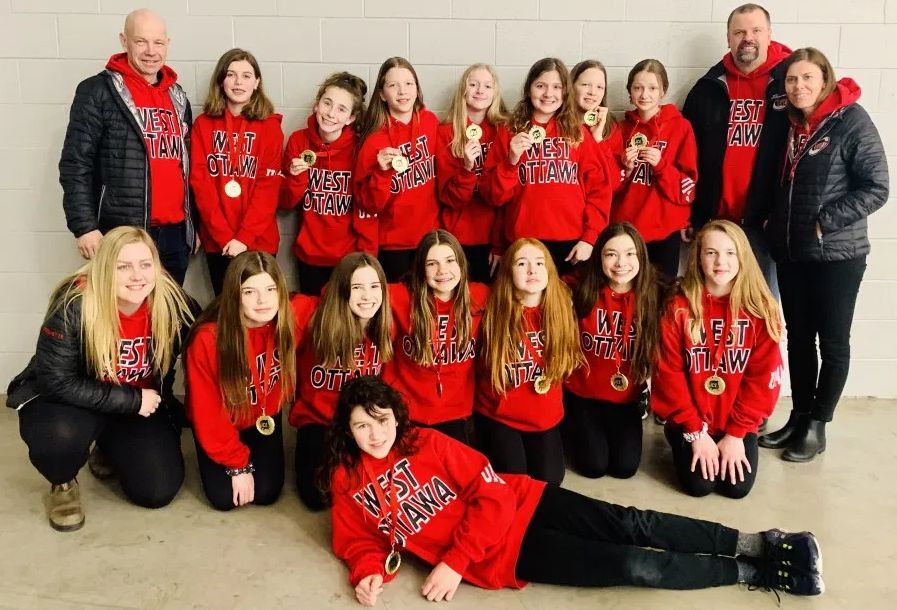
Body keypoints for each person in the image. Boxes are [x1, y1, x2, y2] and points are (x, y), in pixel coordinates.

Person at [326, 376, 824, 606]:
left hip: (524, 503)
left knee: (630, 523)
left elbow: (490, 492)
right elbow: (357, 541)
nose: (375, 434)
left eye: (381, 420)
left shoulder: (426, 442)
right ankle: (750, 572)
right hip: (505, 556)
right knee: (630, 565)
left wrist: (454, 561)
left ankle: (758, 543)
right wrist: (368, 573)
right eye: (361, 426)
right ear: (347, 432)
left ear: (396, 418)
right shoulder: (348, 481)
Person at [6, 227, 195, 531]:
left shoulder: (171, 300)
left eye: (145, 264)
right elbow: (56, 381)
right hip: (74, 401)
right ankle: (63, 482)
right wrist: (130, 400)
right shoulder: (74, 304)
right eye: (124, 266)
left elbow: (209, 334)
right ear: (105, 268)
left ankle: (108, 445)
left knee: (157, 490)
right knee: (57, 438)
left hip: (136, 405)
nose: (137, 276)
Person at [760, 48, 889, 462]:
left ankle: (818, 426)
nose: (798, 86)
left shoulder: (851, 120)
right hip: (792, 251)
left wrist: (825, 221)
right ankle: (798, 418)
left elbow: (877, 187)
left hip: (837, 255)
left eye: (807, 78)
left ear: (825, 80)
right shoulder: (790, 123)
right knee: (799, 340)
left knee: (832, 342)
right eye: (791, 80)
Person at [59, 9, 195, 285]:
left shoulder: (178, 96)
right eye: (141, 41)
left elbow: (187, 168)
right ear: (124, 41)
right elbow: (76, 164)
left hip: (175, 235)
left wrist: (193, 228)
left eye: (158, 42)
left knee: (168, 311)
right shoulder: (98, 91)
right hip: (122, 233)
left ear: (167, 44)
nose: (151, 51)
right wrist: (84, 226)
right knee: (123, 310)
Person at [652, 220, 783, 499]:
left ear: (742, 257)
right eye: (711, 253)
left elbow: (763, 380)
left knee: (736, 488)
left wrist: (736, 434)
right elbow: (669, 374)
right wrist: (695, 432)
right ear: (698, 258)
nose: (720, 262)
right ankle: (680, 438)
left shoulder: (761, 310)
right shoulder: (678, 306)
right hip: (691, 420)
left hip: (735, 422)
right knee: (699, 486)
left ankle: (731, 439)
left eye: (730, 253)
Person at [185, 251, 315, 510]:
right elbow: (208, 412)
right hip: (223, 419)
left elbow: (328, 301)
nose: (262, 300)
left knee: (266, 492)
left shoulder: (291, 317)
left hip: (263, 416)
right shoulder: (209, 340)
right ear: (234, 295)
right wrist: (238, 464)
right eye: (249, 292)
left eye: (270, 289)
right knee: (224, 498)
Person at [683, 3, 792, 296]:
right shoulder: (707, 88)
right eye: (739, 32)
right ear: (728, 37)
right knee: (709, 309)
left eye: (756, 30)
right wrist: (690, 213)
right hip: (715, 222)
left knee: (761, 307)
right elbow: (686, 157)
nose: (748, 38)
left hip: (764, 225)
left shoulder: (790, 84)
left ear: (769, 34)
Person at [480, 57, 612, 276]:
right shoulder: (509, 132)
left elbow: (599, 190)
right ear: (529, 89)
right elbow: (494, 198)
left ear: (566, 92)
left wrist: (590, 238)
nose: (548, 94)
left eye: (557, 87)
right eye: (540, 86)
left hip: (571, 245)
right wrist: (511, 161)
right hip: (522, 243)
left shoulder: (578, 134)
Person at [289, 253, 394, 510]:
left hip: (363, 421)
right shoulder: (315, 317)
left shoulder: (384, 325)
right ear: (342, 289)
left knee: (372, 488)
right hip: (319, 420)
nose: (367, 296)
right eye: (357, 287)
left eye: (374, 286)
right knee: (317, 498)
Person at [474, 238, 582, 485]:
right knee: (515, 480)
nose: (532, 270)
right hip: (499, 414)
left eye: (539, 263)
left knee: (550, 480)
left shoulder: (562, 306)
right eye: (522, 263)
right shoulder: (490, 306)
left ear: (549, 270)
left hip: (543, 415)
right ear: (508, 271)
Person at [564, 223, 662, 478]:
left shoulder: (655, 294)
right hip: (583, 395)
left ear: (641, 256)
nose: (621, 263)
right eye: (611, 254)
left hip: (626, 398)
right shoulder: (580, 289)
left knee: (624, 468)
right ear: (599, 258)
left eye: (630, 254)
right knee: (593, 467)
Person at [190, 48, 284, 295]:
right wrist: (224, 237)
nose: (238, 82)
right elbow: (200, 183)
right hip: (218, 242)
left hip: (259, 240)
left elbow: (268, 189)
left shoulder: (270, 127)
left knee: (260, 308)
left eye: (246, 75)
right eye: (231, 74)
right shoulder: (203, 125)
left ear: (257, 83)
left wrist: (244, 238)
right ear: (221, 81)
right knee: (226, 309)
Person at [383, 230, 490, 444]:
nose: (442, 271)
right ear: (420, 269)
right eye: (432, 263)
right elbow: (356, 289)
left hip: (455, 412)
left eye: (450, 260)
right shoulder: (400, 296)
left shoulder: (480, 297)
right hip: (405, 409)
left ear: (461, 264)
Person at [280, 71, 378, 296]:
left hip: (349, 258)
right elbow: (286, 202)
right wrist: (296, 176)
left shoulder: (360, 148)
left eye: (342, 109)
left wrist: (365, 256)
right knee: (314, 315)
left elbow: (370, 205)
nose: (331, 114)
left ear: (351, 118)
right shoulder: (298, 141)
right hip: (310, 255)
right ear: (317, 104)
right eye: (327, 103)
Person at [607, 59, 697, 280]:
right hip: (626, 230)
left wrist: (661, 166)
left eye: (652, 88)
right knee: (627, 290)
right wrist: (625, 169)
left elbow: (687, 187)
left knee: (662, 292)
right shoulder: (620, 128)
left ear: (663, 91)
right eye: (638, 88)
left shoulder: (680, 127)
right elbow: (608, 186)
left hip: (664, 230)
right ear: (629, 91)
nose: (644, 95)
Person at [355, 57, 440, 282]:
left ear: (417, 89)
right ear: (382, 94)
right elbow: (368, 205)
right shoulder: (373, 140)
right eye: (393, 85)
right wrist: (382, 173)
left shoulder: (430, 122)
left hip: (430, 239)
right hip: (392, 245)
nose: (402, 91)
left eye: (408, 83)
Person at [436, 64, 508, 283]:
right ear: (463, 90)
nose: (480, 91)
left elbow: (506, 196)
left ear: (495, 92)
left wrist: (499, 244)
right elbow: (449, 198)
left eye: (487, 86)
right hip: (456, 237)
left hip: (494, 238)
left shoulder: (503, 131)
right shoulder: (445, 132)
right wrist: (467, 168)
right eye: (474, 84)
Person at [571, 59, 616, 145]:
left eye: (599, 87)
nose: (592, 92)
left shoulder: (612, 127)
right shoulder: (556, 122)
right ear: (571, 86)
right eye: (585, 84)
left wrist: (598, 138)